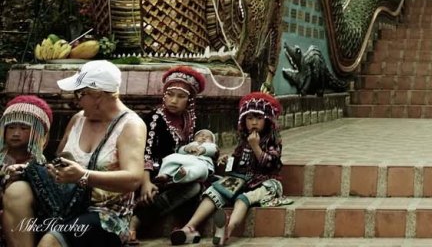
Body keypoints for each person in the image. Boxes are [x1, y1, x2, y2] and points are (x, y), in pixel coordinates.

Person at [3, 60, 146, 247]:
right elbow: (58, 164)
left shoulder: (130, 126)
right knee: (16, 191)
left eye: (79, 94)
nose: (76, 101)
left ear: (98, 95)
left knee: (50, 241)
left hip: (105, 213)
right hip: (65, 203)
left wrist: (84, 176)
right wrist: (29, 170)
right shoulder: (78, 119)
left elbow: (133, 179)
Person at [171, 92, 283, 246]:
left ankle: (226, 230)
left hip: (265, 182)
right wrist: (227, 161)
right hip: (241, 179)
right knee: (214, 191)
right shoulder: (244, 141)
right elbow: (236, 162)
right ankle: (189, 228)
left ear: (268, 120)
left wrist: (256, 146)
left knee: (242, 199)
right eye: (250, 118)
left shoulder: (273, 141)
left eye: (259, 118)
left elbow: (271, 165)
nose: (254, 122)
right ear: (244, 121)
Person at [129, 65, 207, 244]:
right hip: (151, 175)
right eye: (170, 94)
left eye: (181, 96)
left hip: (178, 174)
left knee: (199, 185)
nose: (173, 100)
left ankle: (183, 228)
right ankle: (136, 221)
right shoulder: (154, 119)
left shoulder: (190, 121)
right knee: (191, 189)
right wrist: (146, 182)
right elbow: (145, 152)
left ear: (190, 100)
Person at [1, 96, 53, 201]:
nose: (16, 133)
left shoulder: (39, 164)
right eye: (11, 127)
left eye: (24, 128)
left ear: (38, 133)